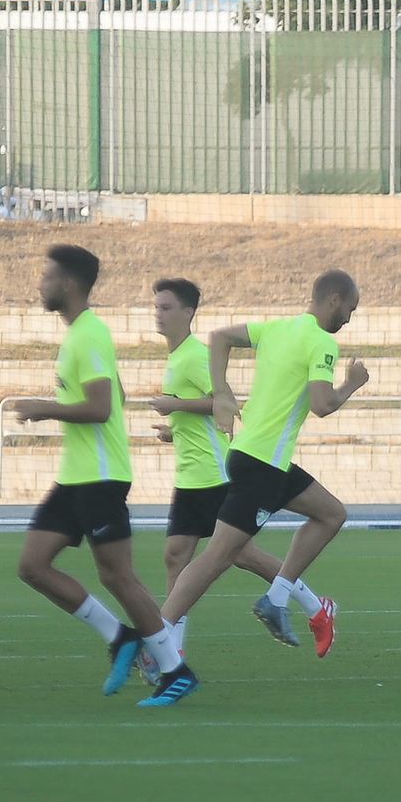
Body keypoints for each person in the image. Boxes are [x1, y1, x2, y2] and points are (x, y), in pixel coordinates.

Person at [14, 245, 197, 707]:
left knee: (118, 576)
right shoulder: (80, 335)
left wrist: (44, 409)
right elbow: (114, 391)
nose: (41, 284)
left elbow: (99, 407)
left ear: (69, 284)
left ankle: (175, 669)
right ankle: (119, 637)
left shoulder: (89, 334)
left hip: (100, 477)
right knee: (32, 566)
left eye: (47, 276)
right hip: (77, 477)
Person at [157, 269, 368, 661]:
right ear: (334, 300)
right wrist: (352, 384)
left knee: (331, 513)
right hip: (264, 466)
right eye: (350, 309)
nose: (348, 319)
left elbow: (219, 338)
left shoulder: (276, 329)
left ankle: (277, 596)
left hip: (256, 456)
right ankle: (157, 640)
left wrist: (221, 393)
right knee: (218, 558)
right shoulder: (322, 342)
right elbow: (322, 405)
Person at [147, 278, 284, 659]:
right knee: (176, 555)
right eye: (156, 307)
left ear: (188, 313)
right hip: (190, 475)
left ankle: (314, 603)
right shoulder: (176, 357)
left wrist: (174, 406)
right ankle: (174, 652)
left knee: (242, 555)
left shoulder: (193, 355)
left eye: (166, 308)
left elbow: (224, 403)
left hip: (214, 474)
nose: (157, 314)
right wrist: (173, 432)